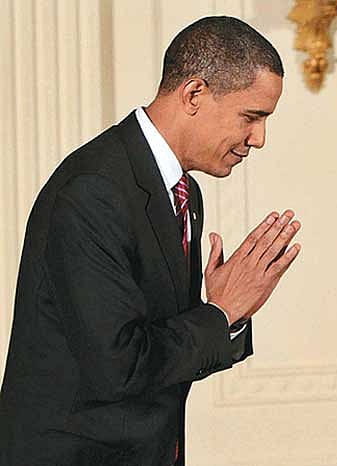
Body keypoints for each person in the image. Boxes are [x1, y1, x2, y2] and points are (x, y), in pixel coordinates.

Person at [0, 16, 300, 466]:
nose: (258, 139)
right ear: (194, 94)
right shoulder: (93, 189)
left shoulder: (184, 192)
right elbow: (119, 367)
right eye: (252, 117)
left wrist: (226, 314)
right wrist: (220, 314)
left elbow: (165, 356)